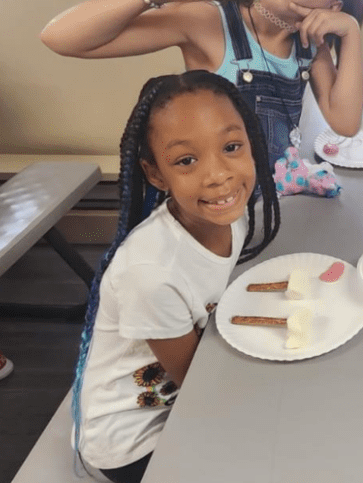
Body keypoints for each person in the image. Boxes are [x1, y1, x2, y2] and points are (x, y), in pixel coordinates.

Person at [72, 70, 281, 482]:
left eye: (231, 147)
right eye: (187, 160)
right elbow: (200, 382)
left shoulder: (229, 218)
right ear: (155, 174)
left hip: (183, 403)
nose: (217, 175)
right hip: (131, 441)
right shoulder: (150, 274)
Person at [40, 0, 363, 170]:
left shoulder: (310, 46)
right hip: (215, 201)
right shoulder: (208, 21)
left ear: (333, 6)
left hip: (272, 198)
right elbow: (59, 37)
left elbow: (346, 123)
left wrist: (350, 32)